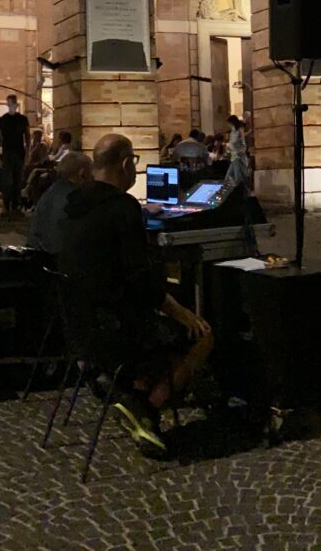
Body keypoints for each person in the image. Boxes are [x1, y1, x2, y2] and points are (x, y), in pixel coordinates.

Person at [60, 134, 214, 454]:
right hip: (116, 334)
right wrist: (181, 312)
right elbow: (142, 281)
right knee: (202, 335)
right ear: (126, 163)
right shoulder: (122, 208)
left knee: (153, 324)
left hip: (79, 330)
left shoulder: (73, 205)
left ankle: (133, 395)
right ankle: (146, 410)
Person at [28, 149, 92, 255]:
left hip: (38, 257)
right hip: (58, 261)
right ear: (82, 174)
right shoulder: (77, 199)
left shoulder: (51, 192)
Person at [0, 95, 30, 210]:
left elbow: (27, 136)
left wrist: (27, 153)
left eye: (12, 103)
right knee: (7, 180)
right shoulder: (3, 120)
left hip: (18, 152)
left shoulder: (22, 119)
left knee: (17, 180)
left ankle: (15, 205)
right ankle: (7, 205)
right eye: (9, 103)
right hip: (8, 152)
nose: (11, 105)